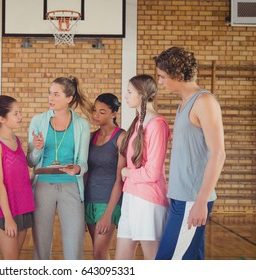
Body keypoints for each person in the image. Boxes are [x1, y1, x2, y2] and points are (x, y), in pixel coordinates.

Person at [153, 47, 226, 260]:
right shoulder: (183, 103)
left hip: (192, 199)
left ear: (177, 75)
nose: (160, 82)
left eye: (162, 77)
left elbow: (218, 153)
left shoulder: (204, 102)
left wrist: (201, 202)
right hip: (180, 196)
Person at [27, 75, 92, 260]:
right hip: (42, 186)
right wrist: (38, 149)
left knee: (74, 242)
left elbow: (83, 162)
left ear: (69, 98)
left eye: (56, 94)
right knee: (41, 241)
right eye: (50, 93)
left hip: (71, 185)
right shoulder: (38, 121)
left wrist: (77, 169)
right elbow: (30, 161)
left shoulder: (81, 125)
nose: (51, 98)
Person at [115, 74, 170, 260]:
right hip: (131, 195)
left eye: (129, 91)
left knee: (152, 259)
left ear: (142, 94)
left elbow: (153, 172)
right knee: (121, 259)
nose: (125, 95)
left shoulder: (157, 125)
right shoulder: (138, 121)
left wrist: (127, 172)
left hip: (149, 200)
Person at [0, 95, 35, 260]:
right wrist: (8, 218)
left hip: (23, 207)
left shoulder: (17, 140)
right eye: (15, 113)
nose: (20, 117)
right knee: (10, 261)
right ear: (2, 119)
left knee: (15, 260)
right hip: (5, 211)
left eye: (19, 112)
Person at [84, 93, 126, 260]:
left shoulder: (121, 137)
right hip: (89, 200)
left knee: (99, 252)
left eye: (102, 112)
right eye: (95, 110)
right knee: (99, 254)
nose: (96, 115)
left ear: (113, 114)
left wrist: (108, 213)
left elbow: (120, 179)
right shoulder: (91, 136)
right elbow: (86, 172)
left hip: (108, 202)